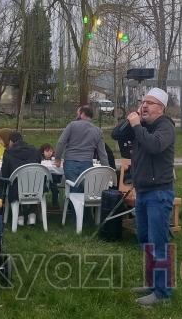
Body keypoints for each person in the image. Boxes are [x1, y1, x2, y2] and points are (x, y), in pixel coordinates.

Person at [113, 88, 175, 307]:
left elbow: (154, 146)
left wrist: (138, 125)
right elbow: (117, 134)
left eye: (150, 102)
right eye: (143, 102)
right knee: (145, 239)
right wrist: (132, 119)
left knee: (158, 243)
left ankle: (163, 294)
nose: (145, 105)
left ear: (162, 108)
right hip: (143, 192)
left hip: (159, 193)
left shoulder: (165, 127)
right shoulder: (143, 127)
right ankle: (153, 284)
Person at [54, 105, 108, 191]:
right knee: (85, 190)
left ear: (82, 114)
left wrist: (57, 158)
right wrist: (106, 169)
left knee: (73, 190)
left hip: (70, 162)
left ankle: (72, 204)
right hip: (87, 164)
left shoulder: (72, 125)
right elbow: (102, 153)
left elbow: (61, 142)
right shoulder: (97, 131)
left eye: (78, 113)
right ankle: (81, 204)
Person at [1, 131, 41, 226]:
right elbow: (38, 167)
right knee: (31, 183)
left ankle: (19, 215)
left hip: (16, 190)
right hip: (36, 188)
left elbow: (5, 175)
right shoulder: (35, 151)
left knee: (13, 183)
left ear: (11, 141)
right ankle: (32, 213)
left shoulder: (8, 153)